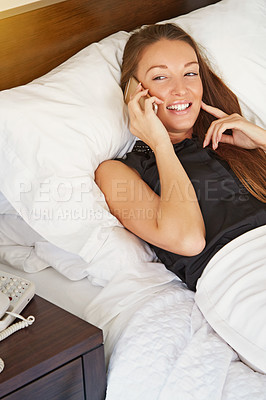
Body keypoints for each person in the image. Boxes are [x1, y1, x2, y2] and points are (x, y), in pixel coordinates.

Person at [95, 23, 266, 291]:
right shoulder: (119, 172)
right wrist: (161, 143)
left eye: (190, 73)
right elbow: (188, 240)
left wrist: (261, 141)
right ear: (134, 92)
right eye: (160, 77)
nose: (181, 89)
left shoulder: (229, 138)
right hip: (239, 276)